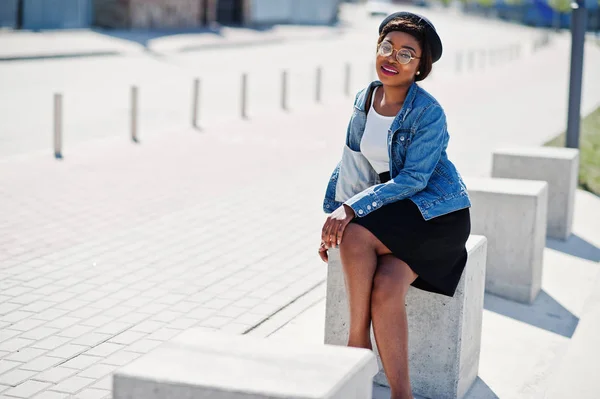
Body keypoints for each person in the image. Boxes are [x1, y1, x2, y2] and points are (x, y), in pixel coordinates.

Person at [319, 12, 472, 399]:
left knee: (355, 235)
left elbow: (414, 180)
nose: (393, 58)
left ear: (421, 67)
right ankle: (399, 394)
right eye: (387, 47)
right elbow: (353, 163)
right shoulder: (364, 99)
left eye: (407, 54)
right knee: (386, 287)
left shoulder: (428, 112)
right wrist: (333, 219)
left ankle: (356, 343)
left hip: (436, 214)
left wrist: (351, 211)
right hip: (396, 212)